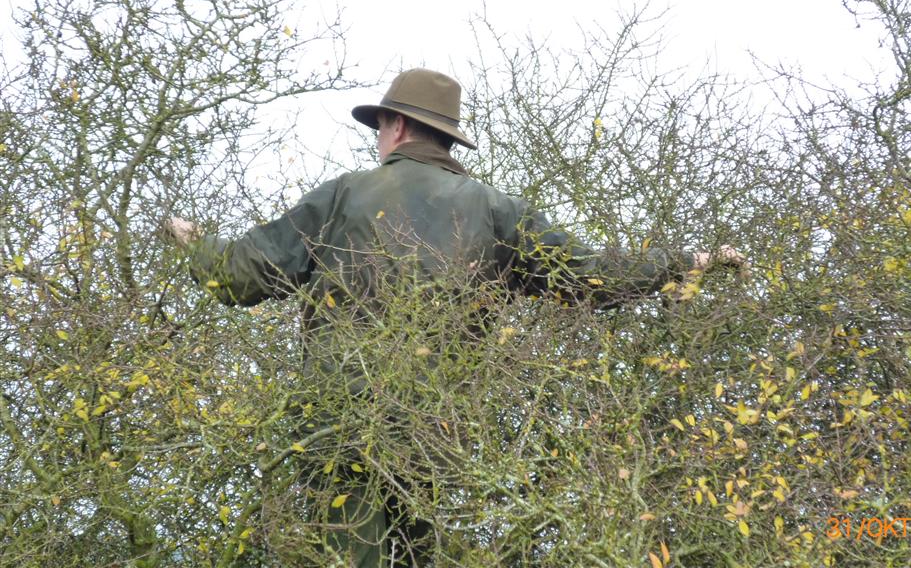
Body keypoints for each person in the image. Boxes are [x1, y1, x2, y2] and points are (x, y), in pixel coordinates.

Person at [163, 68, 745, 566]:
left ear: (396, 126)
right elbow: (592, 277)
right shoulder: (497, 211)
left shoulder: (342, 196)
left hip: (338, 422)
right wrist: (687, 262)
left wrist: (194, 242)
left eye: (379, 127)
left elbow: (241, 277)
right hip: (434, 433)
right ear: (445, 137)